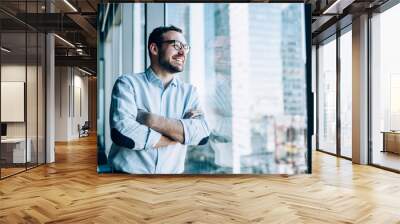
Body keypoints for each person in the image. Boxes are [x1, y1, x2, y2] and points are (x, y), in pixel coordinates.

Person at [108, 25, 210, 174]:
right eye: (176, 45)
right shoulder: (127, 83)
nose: (182, 52)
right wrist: (179, 135)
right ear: (154, 49)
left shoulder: (190, 92)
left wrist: (149, 119)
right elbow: (122, 134)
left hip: (171, 186)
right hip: (127, 181)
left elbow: (202, 135)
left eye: (185, 47)